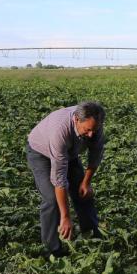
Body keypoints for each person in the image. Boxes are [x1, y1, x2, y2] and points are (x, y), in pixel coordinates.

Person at [26, 101, 106, 257]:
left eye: (94, 130)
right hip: (40, 152)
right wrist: (66, 217)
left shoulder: (95, 124)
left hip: (69, 153)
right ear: (76, 120)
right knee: (52, 199)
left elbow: (96, 155)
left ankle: (92, 236)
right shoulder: (60, 131)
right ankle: (52, 250)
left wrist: (86, 183)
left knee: (83, 192)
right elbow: (60, 179)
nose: (91, 134)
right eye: (87, 130)